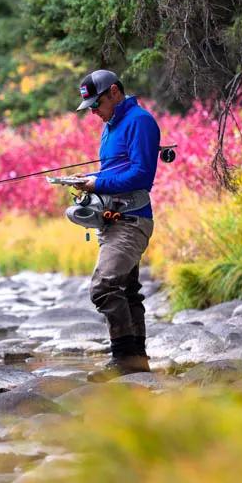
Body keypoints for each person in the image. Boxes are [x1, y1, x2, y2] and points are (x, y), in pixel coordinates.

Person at [71, 69, 161, 381]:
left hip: (133, 220)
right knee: (127, 290)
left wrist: (96, 183)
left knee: (103, 287)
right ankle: (137, 365)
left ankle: (123, 359)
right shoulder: (110, 126)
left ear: (114, 92)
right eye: (90, 108)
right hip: (112, 220)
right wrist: (88, 181)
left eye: (97, 104)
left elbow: (141, 176)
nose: (94, 112)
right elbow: (114, 172)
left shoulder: (140, 121)